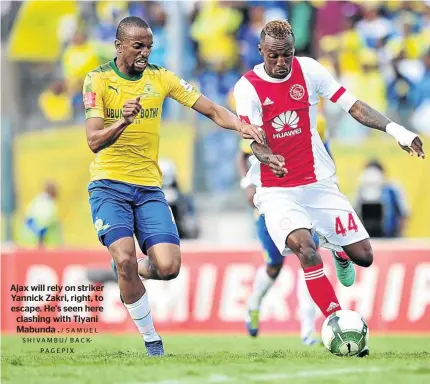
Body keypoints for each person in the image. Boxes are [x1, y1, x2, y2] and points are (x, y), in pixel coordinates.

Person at [233, 20, 425, 356]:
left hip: (319, 182)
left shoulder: (308, 70)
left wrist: (397, 130)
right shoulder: (247, 87)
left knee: (363, 257)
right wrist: (269, 158)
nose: (281, 63)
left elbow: (352, 105)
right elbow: (253, 141)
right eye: (274, 56)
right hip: (276, 189)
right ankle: (337, 322)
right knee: (305, 249)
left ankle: (337, 248)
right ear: (261, 51)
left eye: (287, 55)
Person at [83, 16, 264, 357]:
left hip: (149, 189)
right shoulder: (98, 80)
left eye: (149, 46)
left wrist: (241, 125)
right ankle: (152, 339)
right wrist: (123, 120)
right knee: (124, 255)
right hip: (108, 185)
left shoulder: (161, 78)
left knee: (168, 268)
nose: (145, 52)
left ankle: (127, 270)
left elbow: (210, 109)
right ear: (119, 45)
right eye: (138, 46)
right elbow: (93, 141)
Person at [238, 138, 319, 345]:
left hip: (300, 200)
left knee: (310, 260)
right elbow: (243, 154)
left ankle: (308, 330)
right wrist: (247, 184)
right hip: (269, 204)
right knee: (274, 265)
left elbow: (323, 152)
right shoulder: (263, 121)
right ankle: (254, 303)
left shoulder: (314, 121)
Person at [354, 160, 410, 238]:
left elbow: (404, 213)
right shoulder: (362, 188)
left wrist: (399, 235)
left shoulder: (393, 188)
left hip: (391, 236)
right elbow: (354, 213)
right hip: (367, 236)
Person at [20, 181, 62, 249]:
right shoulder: (50, 205)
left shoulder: (36, 201)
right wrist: (40, 241)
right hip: (43, 245)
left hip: (27, 242)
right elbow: (44, 224)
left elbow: (26, 219)